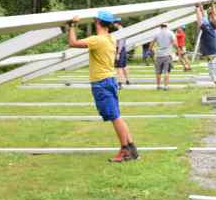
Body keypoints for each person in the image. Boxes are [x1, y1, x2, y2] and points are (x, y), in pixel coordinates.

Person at [67, 11, 139, 162]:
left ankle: (125, 150)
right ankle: (132, 149)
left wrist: (72, 25)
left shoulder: (97, 40)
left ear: (97, 22)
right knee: (117, 116)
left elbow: (73, 43)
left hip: (101, 83)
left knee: (115, 117)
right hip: (110, 80)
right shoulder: (110, 39)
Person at [149, 23, 176, 90]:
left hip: (158, 55)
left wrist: (151, 50)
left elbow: (151, 44)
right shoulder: (170, 33)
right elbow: (175, 43)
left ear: (160, 27)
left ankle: (158, 86)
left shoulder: (156, 33)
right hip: (167, 55)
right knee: (166, 71)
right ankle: (166, 86)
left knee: (158, 72)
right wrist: (177, 49)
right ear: (167, 26)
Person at [113, 20, 130, 88]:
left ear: (117, 23)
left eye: (114, 23)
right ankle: (127, 80)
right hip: (123, 49)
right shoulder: (123, 30)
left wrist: (118, 53)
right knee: (124, 66)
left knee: (119, 67)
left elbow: (120, 43)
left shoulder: (120, 31)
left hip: (120, 50)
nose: (113, 25)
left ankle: (119, 82)